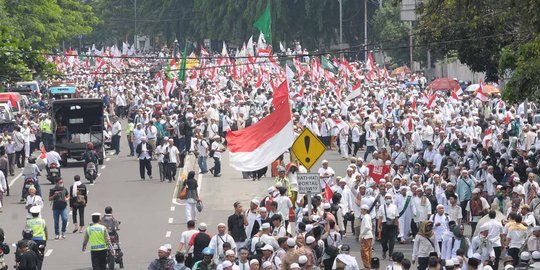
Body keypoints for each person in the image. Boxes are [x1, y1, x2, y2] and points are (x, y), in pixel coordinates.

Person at [378, 193, 398, 260]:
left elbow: (396, 218)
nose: (388, 199)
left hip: (392, 225)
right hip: (384, 225)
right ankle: (384, 250)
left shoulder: (394, 207)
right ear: (385, 199)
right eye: (387, 198)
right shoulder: (381, 207)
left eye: (389, 198)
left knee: (392, 241)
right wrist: (379, 226)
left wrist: (398, 227)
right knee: (383, 241)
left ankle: (390, 255)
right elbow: (380, 218)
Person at [359, 204, 373, 269]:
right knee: (368, 251)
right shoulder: (366, 216)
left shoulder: (366, 217)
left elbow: (367, 227)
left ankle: (367, 266)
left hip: (366, 236)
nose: (360, 210)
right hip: (368, 236)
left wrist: (361, 234)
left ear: (365, 210)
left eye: (361, 209)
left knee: (364, 252)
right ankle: (369, 265)